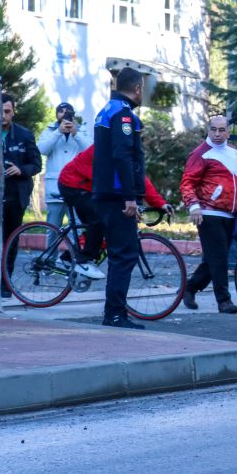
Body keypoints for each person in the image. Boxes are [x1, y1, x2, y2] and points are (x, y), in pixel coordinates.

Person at [58, 145, 172, 278]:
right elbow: (111, 182)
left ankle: (70, 257)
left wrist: (160, 204)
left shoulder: (126, 150)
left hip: (93, 187)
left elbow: (139, 179)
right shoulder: (106, 147)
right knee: (99, 218)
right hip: (72, 184)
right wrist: (128, 202)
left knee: (100, 225)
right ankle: (85, 260)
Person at [92, 67, 147, 329]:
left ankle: (113, 312)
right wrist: (129, 197)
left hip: (104, 193)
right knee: (125, 254)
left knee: (117, 253)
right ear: (137, 89)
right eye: (142, 89)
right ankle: (115, 314)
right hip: (117, 196)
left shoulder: (106, 110)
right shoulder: (123, 116)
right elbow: (122, 156)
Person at [180, 115, 237, 314]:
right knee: (220, 259)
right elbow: (187, 182)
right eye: (213, 129)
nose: (217, 134)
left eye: (221, 130)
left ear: (228, 132)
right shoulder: (200, 154)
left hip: (230, 214)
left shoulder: (234, 152)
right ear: (208, 130)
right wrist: (194, 206)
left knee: (213, 259)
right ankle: (223, 301)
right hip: (208, 212)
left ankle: (189, 288)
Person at [1, 92, 42, 298]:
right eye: (0, 112)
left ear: (13, 112)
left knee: (11, 238)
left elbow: (36, 164)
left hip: (15, 193)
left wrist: (21, 170)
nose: (3, 116)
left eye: (7, 111)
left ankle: (5, 283)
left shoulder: (25, 135)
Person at [37, 101, 91, 230]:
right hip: (55, 188)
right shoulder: (50, 131)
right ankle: (51, 251)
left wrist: (76, 133)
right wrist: (58, 132)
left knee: (78, 228)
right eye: (61, 111)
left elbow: (90, 150)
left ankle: (72, 251)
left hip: (77, 188)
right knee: (52, 229)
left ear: (73, 115)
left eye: (68, 112)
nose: (64, 114)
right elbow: (42, 149)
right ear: (56, 115)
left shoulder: (82, 131)